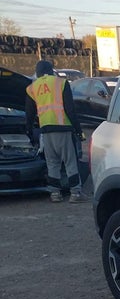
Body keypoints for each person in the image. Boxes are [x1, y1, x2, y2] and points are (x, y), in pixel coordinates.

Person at [25, 60, 88, 203]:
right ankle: (75, 193)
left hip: (46, 131)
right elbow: (70, 110)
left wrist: (29, 131)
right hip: (63, 128)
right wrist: (78, 130)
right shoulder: (61, 83)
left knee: (52, 162)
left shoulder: (32, 88)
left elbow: (29, 113)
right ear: (51, 70)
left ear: (38, 72)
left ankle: (55, 194)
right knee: (70, 161)